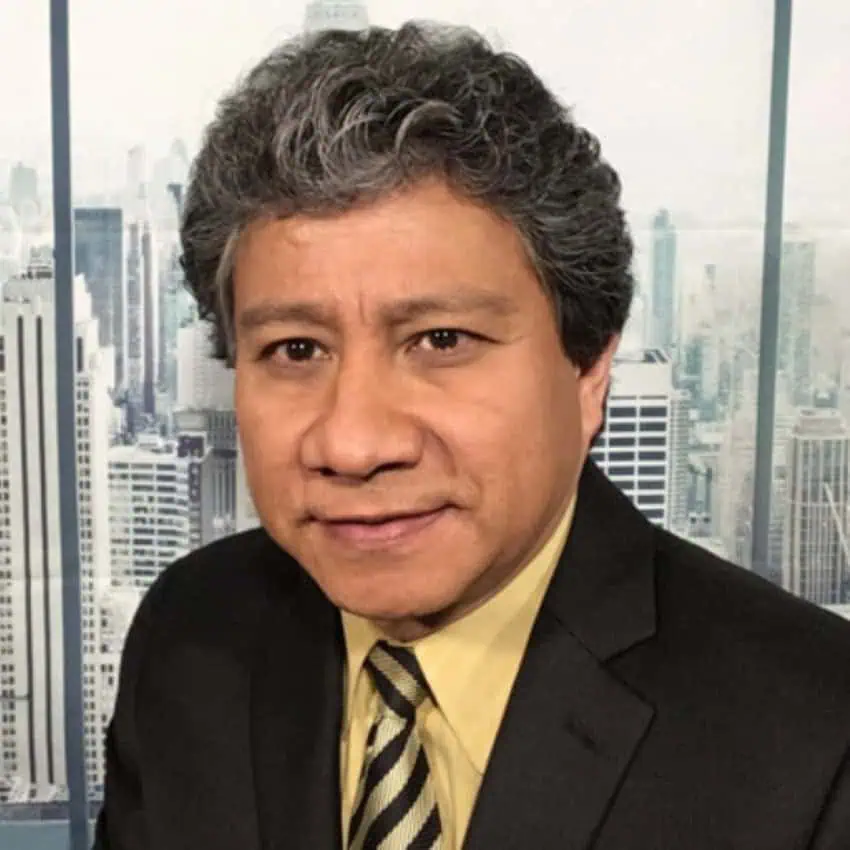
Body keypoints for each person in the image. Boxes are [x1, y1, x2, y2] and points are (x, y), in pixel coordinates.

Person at [93, 20, 850, 850]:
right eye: (295, 350)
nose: (353, 442)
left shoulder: (817, 741)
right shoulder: (193, 637)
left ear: (589, 365)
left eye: (441, 341)